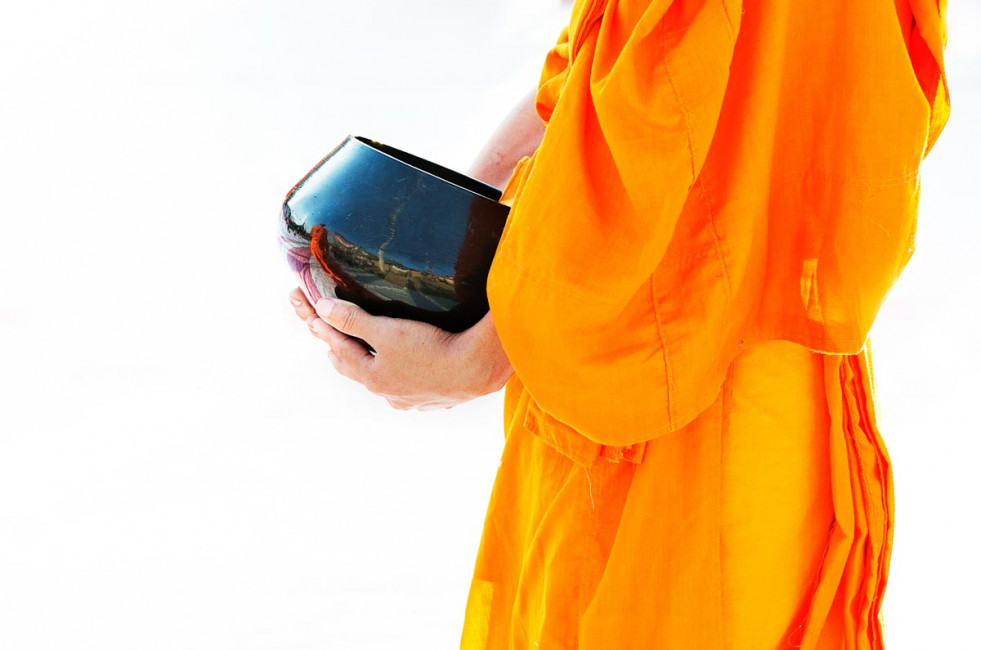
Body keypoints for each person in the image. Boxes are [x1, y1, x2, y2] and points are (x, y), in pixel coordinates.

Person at [290, 0, 950, 646]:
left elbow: (674, 102)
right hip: (708, 343)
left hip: (672, 370)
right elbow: (615, 62)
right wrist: (465, 219)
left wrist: (484, 352)